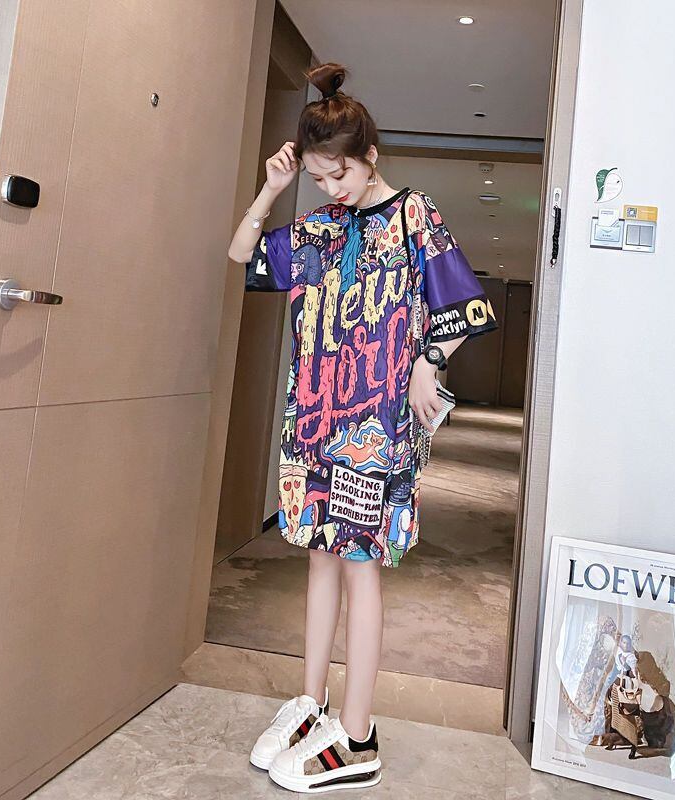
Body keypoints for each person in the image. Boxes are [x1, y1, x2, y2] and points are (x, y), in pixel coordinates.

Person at [227, 61, 498, 794]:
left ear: (370, 155)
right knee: (318, 558)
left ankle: (358, 735)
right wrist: (273, 190)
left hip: (375, 427)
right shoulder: (318, 228)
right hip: (313, 421)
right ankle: (312, 705)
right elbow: (242, 255)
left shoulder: (414, 216)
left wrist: (427, 362)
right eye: (319, 178)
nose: (332, 188)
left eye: (339, 173)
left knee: (359, 568)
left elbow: (465, 307)